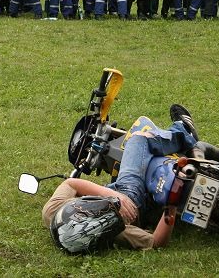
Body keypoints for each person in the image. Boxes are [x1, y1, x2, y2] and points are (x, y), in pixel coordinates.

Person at [43, 105, 199, 253]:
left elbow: (71, 183)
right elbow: (156, 242)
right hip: (129, 192)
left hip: (138, 207)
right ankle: (184, 131)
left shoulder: (55, 213)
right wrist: (172, 202)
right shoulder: (110, 231)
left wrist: (170, 206)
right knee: (138, 139)